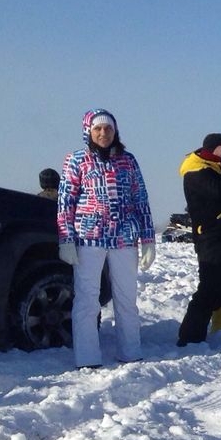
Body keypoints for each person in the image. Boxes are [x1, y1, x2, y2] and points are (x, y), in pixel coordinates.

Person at [56, 109, 153, 368]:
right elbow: (66, 200)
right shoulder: (77, 160)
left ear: (115, 131)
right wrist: (66, 238)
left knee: (126, 298)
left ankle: (130, 351)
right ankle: (87, 357)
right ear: (88, 131)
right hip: (89, 238)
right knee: (87, 298)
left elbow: (140, 199)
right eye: (98, 129)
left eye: (108, 129)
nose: (103, 133)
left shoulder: (128, 160)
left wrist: (148, 239)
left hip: (123, 238)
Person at [178, 133, 221, 346]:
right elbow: (219, 192)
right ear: (217, 148)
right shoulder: (196, 170)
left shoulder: (218, 169)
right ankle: (189, 338)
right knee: (210, 288)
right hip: (210, 237)